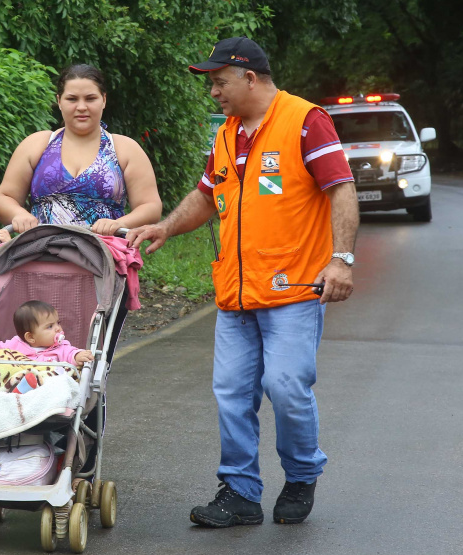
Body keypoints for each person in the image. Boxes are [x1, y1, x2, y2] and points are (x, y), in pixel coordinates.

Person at [127, 37, 359, 528]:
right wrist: (167, 226)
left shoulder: (305, 120)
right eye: (211, 83)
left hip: (293, 288)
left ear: (249, 76)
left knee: (286, 384)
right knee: (232, 393)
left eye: (219, 82)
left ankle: (300, 475)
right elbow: (207, 194)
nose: (213, 92)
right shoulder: (227, 134)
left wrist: (340, 260)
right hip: (235, 291)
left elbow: (341, 187)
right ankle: (239, 493)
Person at [0, 63, 162, 235]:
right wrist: (19, 214)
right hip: (41, 252)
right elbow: (4, 197)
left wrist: (119, 223)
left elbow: (150, 206)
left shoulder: (125, 149)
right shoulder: (37, 144)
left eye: (90, 98)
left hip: (105, 252)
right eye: (72, 99)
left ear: (104, 100)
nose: (81, 107)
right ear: (59, 101)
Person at [0, 300, 93, 365]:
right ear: (30, 337)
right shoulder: (16, 345)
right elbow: (0, 349)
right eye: (50, 326)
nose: (58, 329)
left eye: (58, 323)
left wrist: (78, 356)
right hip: (21, 384)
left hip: (48, 385)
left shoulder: (61, 347)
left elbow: (70, 354)